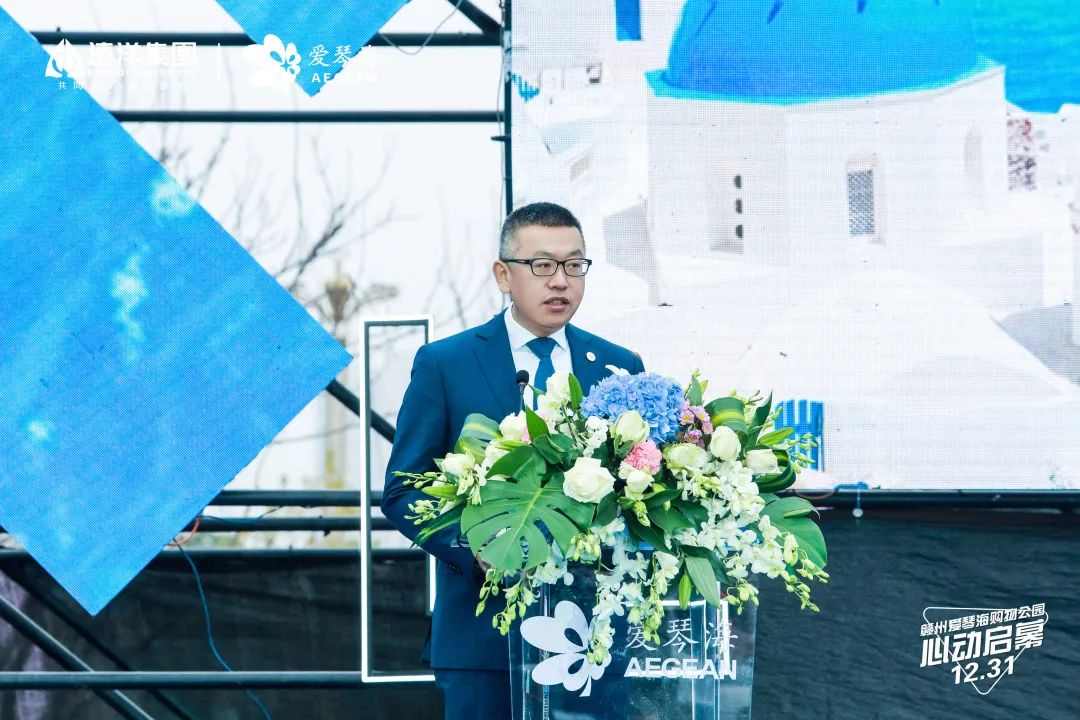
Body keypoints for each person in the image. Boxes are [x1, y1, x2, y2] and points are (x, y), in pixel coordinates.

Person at [382, 202, 645, 720]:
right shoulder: (446, 363)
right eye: (542, 265)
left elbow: (643, 483)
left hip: (594, 639)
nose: (560, 281)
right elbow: (403, 490)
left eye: (574, 265)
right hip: (483, 638)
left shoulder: (619, 367)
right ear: (504, 275)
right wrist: (474, 545)